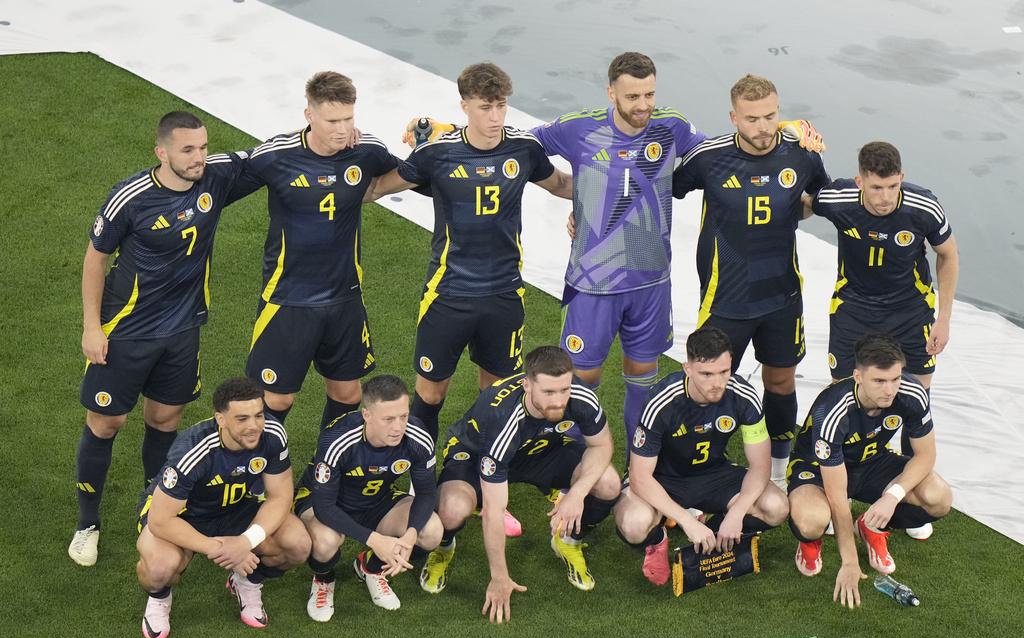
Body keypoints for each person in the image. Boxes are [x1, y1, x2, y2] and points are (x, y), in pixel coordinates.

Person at [535, 55, 822, 466]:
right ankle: (574, 468)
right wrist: (575, 194)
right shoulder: (577, 127)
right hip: (593, 280)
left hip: (651, 280)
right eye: (633, 96)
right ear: (611, 93)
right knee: (582, 380)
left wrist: (785, 129)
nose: (643, 104)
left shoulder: (672, 126)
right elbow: (521, 147)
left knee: (643, 378)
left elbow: (729, 152)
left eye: (649, 94)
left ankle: (638, 469)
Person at [70, 111, 258, 566]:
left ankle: (154, 509)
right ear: (162, 152)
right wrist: (92, 327)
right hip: (126, 331)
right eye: (188, 150)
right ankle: (87, 523)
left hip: (182, 330)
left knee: (165, 419)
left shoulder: (215, 178)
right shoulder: (131, 197)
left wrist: (323, 131)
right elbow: (95, 259)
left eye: (203, 147)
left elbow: (268, 155)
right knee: (106, 423)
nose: (198, 158)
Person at [367, 62, 572, 443]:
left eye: (501, 106)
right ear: (465, 106)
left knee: (496, 395)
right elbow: (378, 187)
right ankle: (421, 466)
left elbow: (560, 184)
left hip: (503, 294)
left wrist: (611, 188)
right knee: (430, 395)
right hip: (448, 294)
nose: (495, 117)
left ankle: (483, 465)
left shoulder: (523, 149)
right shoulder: (436, 154)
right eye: (485, 107)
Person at [671, 74, 831, 488]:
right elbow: (661, 189)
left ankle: (778, 469)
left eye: (771, 116)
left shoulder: (802, 154)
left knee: (780, 381)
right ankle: (695, 467)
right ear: (733, 118)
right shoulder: (708, 158)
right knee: (708, 383)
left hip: (782, 295)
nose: (763, 127)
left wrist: (796, 207)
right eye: (752, 119)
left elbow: (820, 199)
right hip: (725, 298)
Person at [241, 71, 400, 433]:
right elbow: (224, 180)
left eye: (348, 119)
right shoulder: (277, 155)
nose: (342, 130)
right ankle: (262, 464)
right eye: (332, 121)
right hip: (288, 297)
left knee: (347, 393)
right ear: (309, 114)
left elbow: (407, 173)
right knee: (276, 399)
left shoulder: (366, 151)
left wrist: (377, 188)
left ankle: (326, 462)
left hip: (345, 297)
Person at [419, 346, 619, 623]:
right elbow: (494, 511)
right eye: (548, 392)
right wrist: (499, 577)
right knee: (452, 509)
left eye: (564, 390)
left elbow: (602, 445)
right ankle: (443, 547)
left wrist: (577, 494)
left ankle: (568, 540)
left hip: (542, 449)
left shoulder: (580, 395)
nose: (559, 401)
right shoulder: (503, 420)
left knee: (608, 483)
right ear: (527, 385)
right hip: (478, 454)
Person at [809, 142, 958, 477]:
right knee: (844, 392)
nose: (886, 197)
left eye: (893, 186)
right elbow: (804, 203)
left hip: (910, 310)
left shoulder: (923, 206)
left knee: (916, 393)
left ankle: (911, 482)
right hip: (854, 308)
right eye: (876, 187)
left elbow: (948, 254)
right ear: (859, 181)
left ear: (902, 178)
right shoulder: (838, 199)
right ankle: (841, 477)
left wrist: (945, 318)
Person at [134, 378, 311, 638]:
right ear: (221, 419)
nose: (254, 426)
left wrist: (245, 541)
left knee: (297, 544)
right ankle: (159, 599)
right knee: (160, 568)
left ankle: (247, 581)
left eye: (258, 415)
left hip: (235, 509)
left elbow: (280, 497)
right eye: (242, 419)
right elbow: (161, 520)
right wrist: (219, 548)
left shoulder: (272, 434)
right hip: (183, 517)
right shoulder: (193, 450)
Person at [786, 334, 952, 608]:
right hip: (817, 471)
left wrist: (892, 496)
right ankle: (810, 541)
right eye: (879, 381)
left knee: (939, 497)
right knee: (812, 520)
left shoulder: (912, 393)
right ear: (858, 377)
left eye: (895, 379)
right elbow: (838, 496)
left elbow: (926, 456)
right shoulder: (832, 410)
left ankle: (871, 525)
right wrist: (850, 562)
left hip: (873, 461)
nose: (890, 390)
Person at [614, 326, 788, 585]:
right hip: (663, 479)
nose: (717, 383)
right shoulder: (662, 401)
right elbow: (640, 477)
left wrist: (737, 513)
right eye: (706, 374)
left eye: (724, 372)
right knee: (634, 524)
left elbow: (760, 466)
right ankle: (658, 540)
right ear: (687, 369)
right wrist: (686, 521)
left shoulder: (743, 396)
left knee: (777, 507)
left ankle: (716, 529)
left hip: (714, 475)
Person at [294, 375, 441, 618]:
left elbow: (426, 493)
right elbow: (324, 507)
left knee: (431, 531)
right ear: (367, 415)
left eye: (403, 416)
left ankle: (371, 567)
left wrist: (410, 534)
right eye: (388, 419)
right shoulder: (338, 439)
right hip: (326, 503)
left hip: (377, 501)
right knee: (325, 542)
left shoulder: (417, 437)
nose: (398, 427)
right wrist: (375, 540)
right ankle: (324, 579)